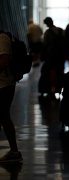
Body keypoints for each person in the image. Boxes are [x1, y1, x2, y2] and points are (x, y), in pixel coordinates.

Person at [0, 31, 23, 162]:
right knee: (3, 117)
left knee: (4, 116)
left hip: (4, 85)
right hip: (3, 85)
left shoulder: (2, 38)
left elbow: (4, 61)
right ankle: (14, 151)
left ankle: (14, 152)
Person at [40, 17, 65, 96]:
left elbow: (45, 45)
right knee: (60, 71)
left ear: (47, 24)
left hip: (51, 56)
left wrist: (42, 56)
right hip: (61, 55)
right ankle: (60, 88)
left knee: (52, 72)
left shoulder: (47, 32)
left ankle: (52, 89)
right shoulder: (61, 30)